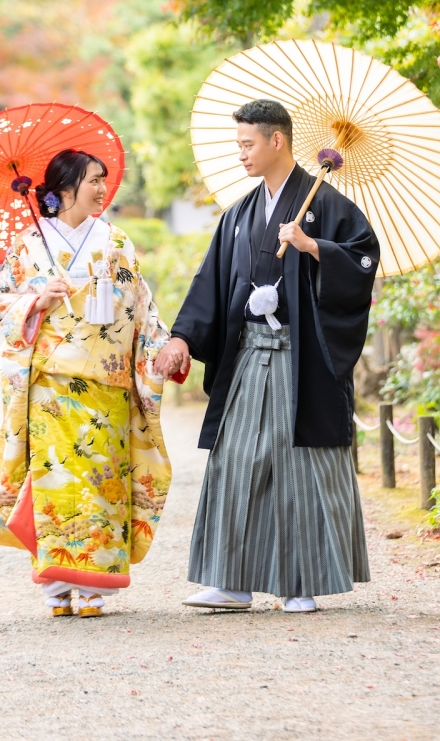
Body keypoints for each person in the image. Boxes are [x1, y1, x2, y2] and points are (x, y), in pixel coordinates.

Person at [155, 99, 379, 613]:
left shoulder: (329, 206)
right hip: (248, 355)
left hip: (302, 362)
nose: (241, 154)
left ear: (277, 140)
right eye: (237, 145)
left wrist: (314, 246)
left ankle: (300, 583)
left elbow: (364, 260)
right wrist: (183, 338)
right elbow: (210, 283)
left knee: (297, 465)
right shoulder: (239, 214)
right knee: (235, 460)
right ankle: (230, 580)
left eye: (247, 144)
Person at [0, 148, 186, 617]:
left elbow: (142, 308)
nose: (102, 189)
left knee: (100, 479)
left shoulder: (116, 241)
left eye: (104, 180)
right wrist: (38, 298)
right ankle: (56, 586)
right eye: (92, 181)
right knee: (56, 480)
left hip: (107, 382)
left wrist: (163, 347)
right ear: (63, 188)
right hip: (50, 384)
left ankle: (93, 587)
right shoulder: (29, 243)